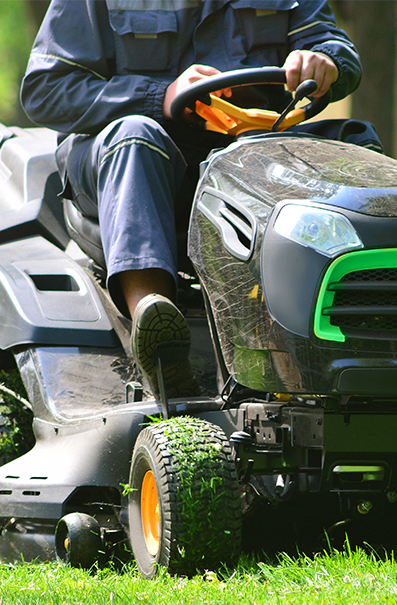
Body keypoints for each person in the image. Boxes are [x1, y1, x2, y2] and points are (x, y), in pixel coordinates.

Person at [20, 0, 361, 398]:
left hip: (250, 156)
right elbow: (45, 90)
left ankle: (369, 324)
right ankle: (155, 325)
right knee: (136, 136)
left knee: (354, 142)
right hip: (131, 159)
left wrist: (325, 60)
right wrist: (158, 95)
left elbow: (332, 45)